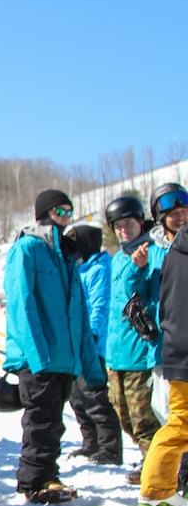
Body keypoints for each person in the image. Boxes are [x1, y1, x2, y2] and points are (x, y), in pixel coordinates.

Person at [1, 189, 104, 504]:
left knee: (53, 424)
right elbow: (21, 305)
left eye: (69, 211)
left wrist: (89, 365)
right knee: (40, 422)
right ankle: (34, 481)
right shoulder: (27, 249)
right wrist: (37, 357)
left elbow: (79, 314)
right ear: (44, 214)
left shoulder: (67, 257)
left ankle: (47, 476)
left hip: (63, 358)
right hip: (39, 358)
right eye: (60, 211)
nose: (66, 217)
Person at [104, 194, 162, 485]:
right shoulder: (119, 257)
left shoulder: (152, 251)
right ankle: (149, 459)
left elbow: (143, 297)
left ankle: (157, 470)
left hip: (140, 351)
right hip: (116, 353)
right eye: (118, 226)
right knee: (123, 415)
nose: (124, 231)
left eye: (128, 224)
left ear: (141, 222)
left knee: (144, 418)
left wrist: (138, 269)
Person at [139, 194, 188, 506]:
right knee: (182, 423)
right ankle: (156, 489)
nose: (181, 217)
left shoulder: (174, 252)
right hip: (181, 351)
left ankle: (159, 487)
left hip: (176, 348)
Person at [63, 223, 122, 465]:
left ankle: (110, 447)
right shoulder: (80, 268)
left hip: (92, 345)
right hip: (76, 342)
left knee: (95, 396)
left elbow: (101, 304)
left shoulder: (98, 269)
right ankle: (91, 442)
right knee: (77, 397)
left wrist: (94, 334)